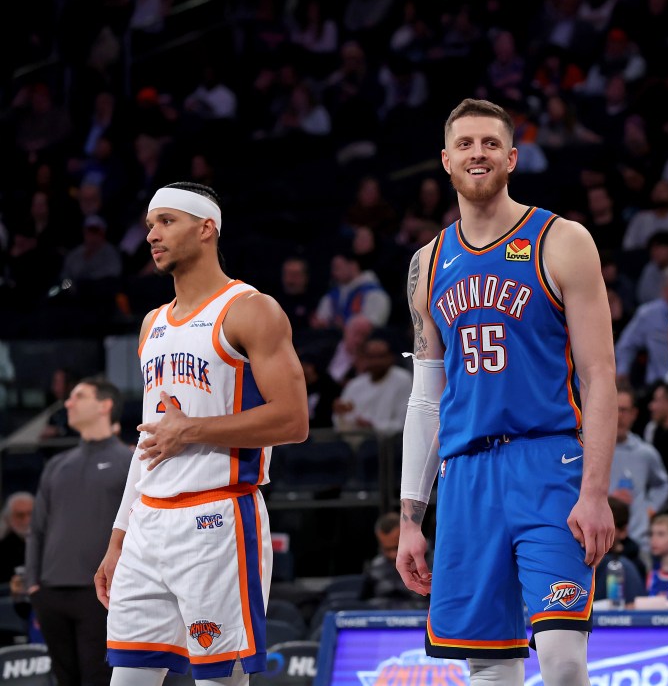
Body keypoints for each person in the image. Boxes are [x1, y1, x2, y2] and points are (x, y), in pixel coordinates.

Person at [397, 98, 616, 684]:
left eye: (490, 144)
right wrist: (409, 517)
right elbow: (425, 399)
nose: (478, 154)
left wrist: (595, 490)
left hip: (547, 463)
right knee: (489, 667)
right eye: (465, 144)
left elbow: (600, 377)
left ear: (512, 158)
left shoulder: (561, 239)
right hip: (465, 475)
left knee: (565, 659)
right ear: (445, 160)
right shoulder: (428, 262)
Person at [93, 181, 308, 684]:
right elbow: (152, 442)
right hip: (148, 524)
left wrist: (192, 430)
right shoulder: (152, 324)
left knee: (221, 679)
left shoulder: (251, 309)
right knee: (127, 677)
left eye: (166, 221)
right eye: (149, 225)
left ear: (206, 227)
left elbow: (294, 421)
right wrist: (118, 537)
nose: (152, 235)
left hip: (217, 517)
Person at [26, 376, 132, 686]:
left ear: (105, 405)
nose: (68, 403)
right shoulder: (57, 464)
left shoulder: (129, 461)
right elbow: (37, 529)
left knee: (99, 679)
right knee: (64, 680)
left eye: (79, 396)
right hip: (50, 592)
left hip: (101, 594)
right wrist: (34, 585)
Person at [609, 388, 668, 557]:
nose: (618, 415)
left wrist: (649, 509)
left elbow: (663, 485)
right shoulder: (587, 451)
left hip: (638, 540)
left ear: (634, 413)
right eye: (613, 408)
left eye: (623, 410)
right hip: (601, 539)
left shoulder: (645, 453)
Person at [359, 513, 427, 610]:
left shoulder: (430, 563)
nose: (393, 555)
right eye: (387, 549)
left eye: (397, 548)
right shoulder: (374, 568)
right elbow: (362, 606)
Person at [0, 493, 33, 581]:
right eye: (20, 515)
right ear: (8, 518)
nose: (27, 520)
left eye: (31, 513)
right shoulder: (3, 550)